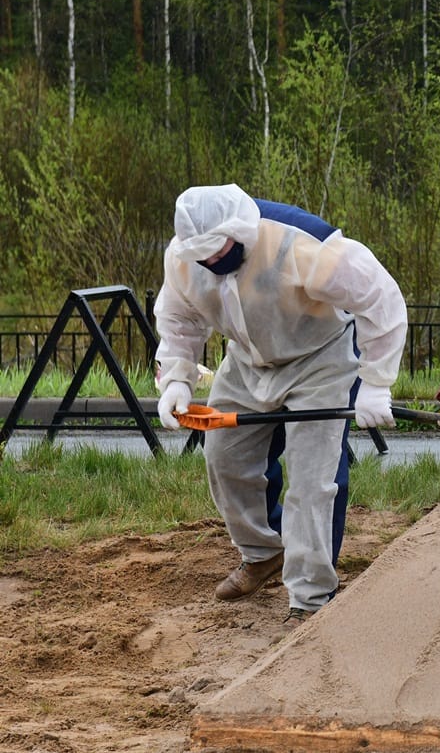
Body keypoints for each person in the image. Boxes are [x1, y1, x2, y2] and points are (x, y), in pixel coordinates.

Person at [153, 184, 407, 621]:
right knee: (224, 457)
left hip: (319, 357)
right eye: (201, 255)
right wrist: (177, 378)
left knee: (312, 481)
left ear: (239, 231)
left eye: (218, 250)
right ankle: (263, 552)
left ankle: (310, 598)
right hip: (248, 361)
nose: (210, 261)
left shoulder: (299, 241)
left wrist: (376, 383)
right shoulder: (183, 258)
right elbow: (179, 319)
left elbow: (378, 297)